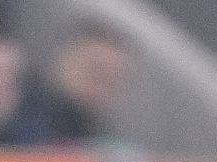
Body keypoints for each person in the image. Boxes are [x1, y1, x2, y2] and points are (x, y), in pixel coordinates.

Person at [8, 18, 128, 147]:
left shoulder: (104, 143)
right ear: (64, 61)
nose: (101, 84)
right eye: (96, 70)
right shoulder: (14, 114)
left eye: (111, 79)